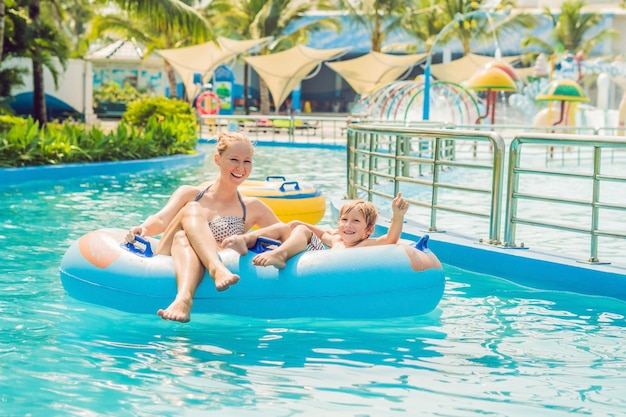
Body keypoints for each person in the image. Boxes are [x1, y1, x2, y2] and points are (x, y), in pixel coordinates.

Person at [125, 132, 280, 323]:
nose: (241, 167)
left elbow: (283, 232)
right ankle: (216, 268)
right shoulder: (190, 193)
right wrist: (143, 229)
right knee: (191, 209)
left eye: (247, 161)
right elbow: (161, 219)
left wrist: (248, 240)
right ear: (218, 159)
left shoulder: (253, 207)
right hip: (169, 254)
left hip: (193, 252)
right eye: (234, 159)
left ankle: (183, 300)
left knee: (184, 238)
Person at [222, 193, 409, 269]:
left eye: (355, 222)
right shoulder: (336, 240)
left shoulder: (364, 244)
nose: (347, 225)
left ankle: (280, 254)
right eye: (344, 220)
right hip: (313, 256)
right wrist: (295, 223)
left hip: (319, 262)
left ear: (369, 230)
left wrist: (397, 216)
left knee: (301, 229)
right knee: (285, 227)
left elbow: (391, 239)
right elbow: (319, 233)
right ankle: (245, 239)